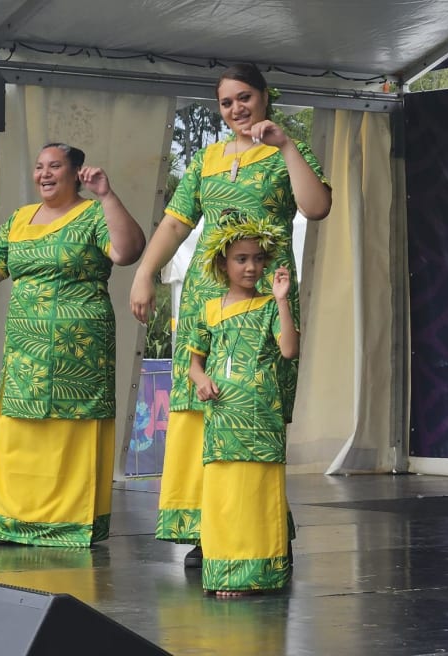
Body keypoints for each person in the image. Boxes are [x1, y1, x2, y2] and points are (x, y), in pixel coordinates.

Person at [130, 62, 331, 567]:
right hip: (208, 293)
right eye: (226, 102)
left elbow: (318, 206)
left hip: (267, 294)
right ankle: (207, 528)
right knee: (205, 401)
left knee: (252, 403)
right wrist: (144, 274)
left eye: (245, 97)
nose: (237, 109)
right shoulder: (207, 160)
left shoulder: (288, 149)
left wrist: (286, 146)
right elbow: (176, 224)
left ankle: (263, 524)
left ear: (265, 97)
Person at [0, 142, 145, 547]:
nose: (45, 174)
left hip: (79, 348)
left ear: (76, 173)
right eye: (39, 167)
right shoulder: (19, 219)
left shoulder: (93, 214)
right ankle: (10, 520)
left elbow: (127, 252)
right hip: (25, 348)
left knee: (70, 432)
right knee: (19, 428)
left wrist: (107, 195)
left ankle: (67, 524)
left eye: (55, 166)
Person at [188, 212, 298, 597]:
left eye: (257, 259)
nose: (251, 267)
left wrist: (282, 301)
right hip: (222, 419)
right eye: (241, 259)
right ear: (223, 263)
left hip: (261, 417)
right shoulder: (209, 310)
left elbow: (288, 349)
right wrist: (201, 381)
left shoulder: (269, 306)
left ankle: (258, 573)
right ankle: (225, 572)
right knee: (225, 495)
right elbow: (194, 363)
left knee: (257, 494)